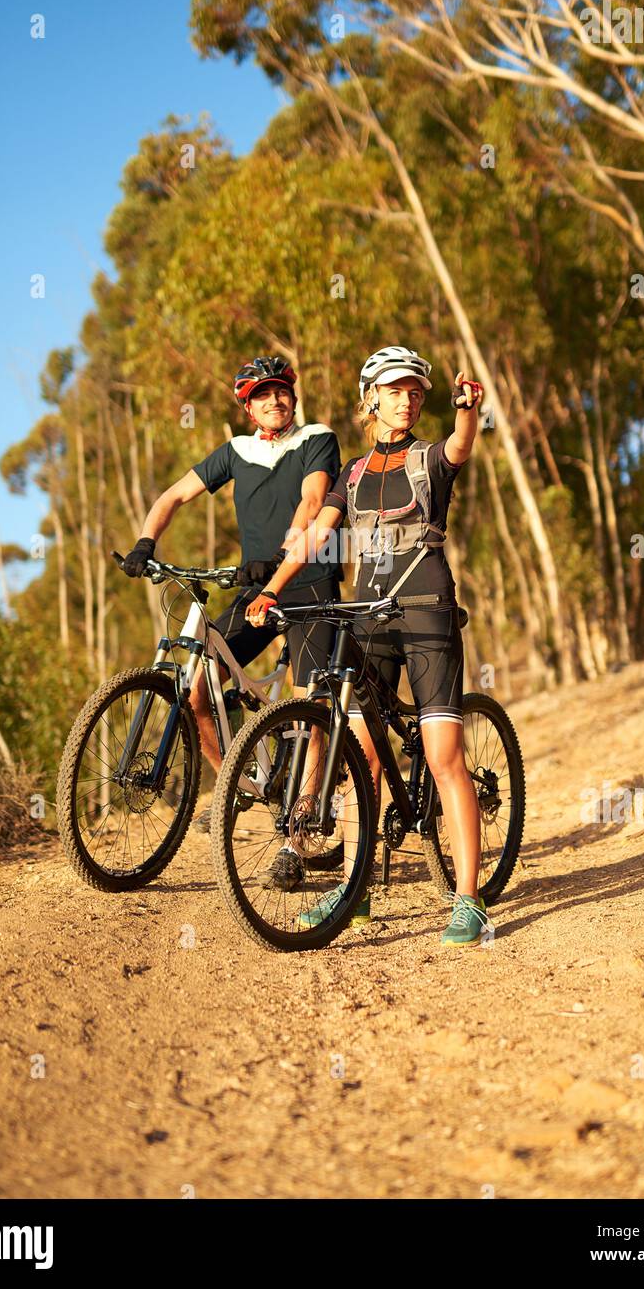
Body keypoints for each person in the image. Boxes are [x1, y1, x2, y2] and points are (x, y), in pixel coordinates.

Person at [245, 344, 490, 946]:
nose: (407, 400)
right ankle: (354, 892)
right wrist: (272, 590)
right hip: (370, 619)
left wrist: (467, 410)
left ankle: (469, 899)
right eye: (396, 390)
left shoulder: (430, 459)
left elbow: (461, 445)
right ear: (370, 399)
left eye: (416, 392)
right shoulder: (351, 476)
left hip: (427, 614)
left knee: (443, 757)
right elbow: (313, 536)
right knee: (362, 763)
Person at [121, 356, 341, 879]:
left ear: (292, 395)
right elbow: (174, 495)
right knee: (199, 691)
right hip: (253, 593)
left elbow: (313, 499)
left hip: (308, 585)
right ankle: (236, 787)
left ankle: (302, 827)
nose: (274, 400)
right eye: (262, 395)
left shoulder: (316, 437)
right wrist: (146, 541)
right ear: (247, 406)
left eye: (280, 391)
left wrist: (290, 545)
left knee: (312, 705)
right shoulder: (236, 453)